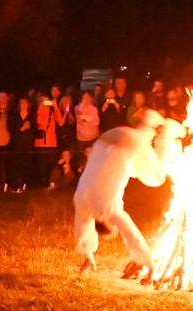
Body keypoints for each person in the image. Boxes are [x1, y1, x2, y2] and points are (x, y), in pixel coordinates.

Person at [73, 110, 184, 278]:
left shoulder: (108, 209)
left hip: (126, 145)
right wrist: (87, 257)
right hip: (108, 138)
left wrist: (149, 263)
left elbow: (132, 236)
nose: (116, 226)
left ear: (107, 222)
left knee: (156, 178)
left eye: (113, 227)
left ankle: (166, 134)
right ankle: (147, 125)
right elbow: (82, 228)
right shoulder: (80, 200)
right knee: (133, 164)